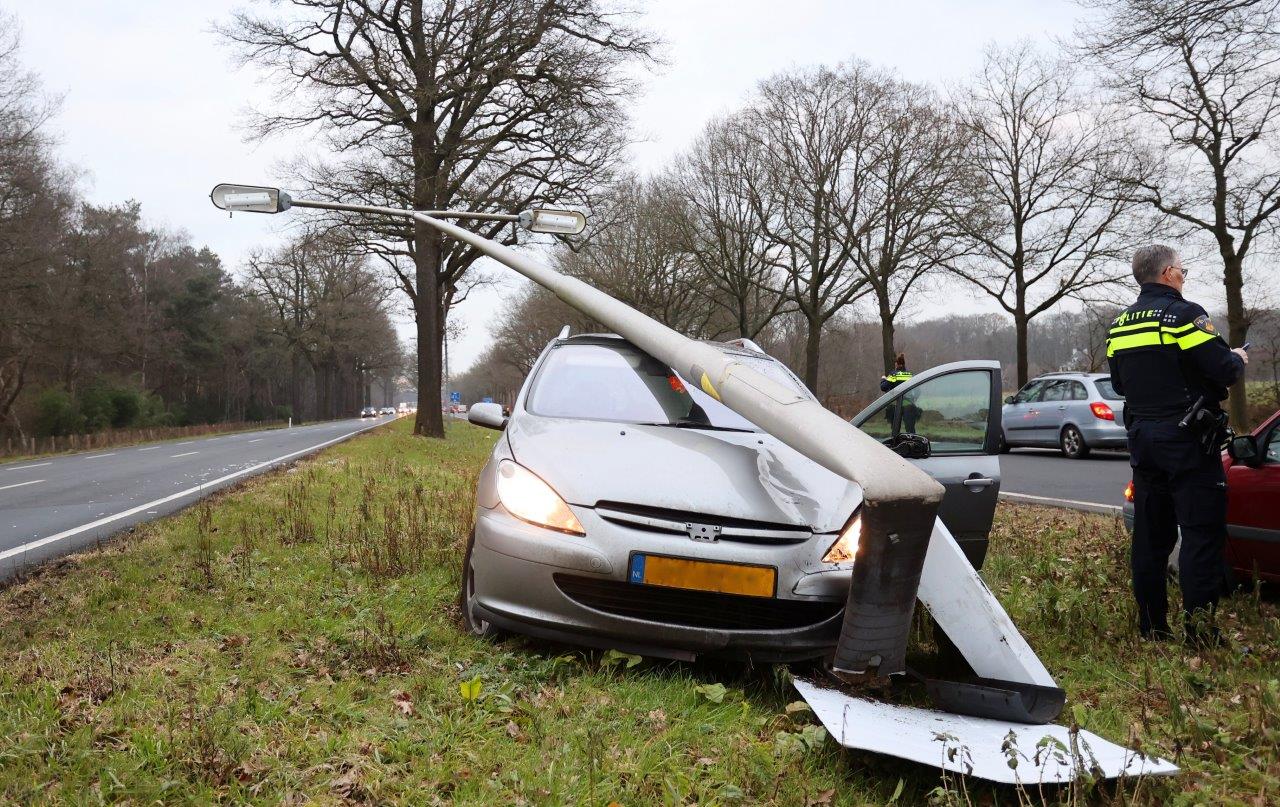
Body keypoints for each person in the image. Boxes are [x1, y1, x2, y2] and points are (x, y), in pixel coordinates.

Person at [1106, 245, 1248, 644]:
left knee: (1151, 538)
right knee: (1201, 533)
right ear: (1168, 273)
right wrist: (1236, 357)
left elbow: (1120, 384)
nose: (1183, 277)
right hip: (1187, 439)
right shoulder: (1185, 315)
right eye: (1182, 270)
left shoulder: (1119, 326)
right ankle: (1200, 634)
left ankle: (1152, 628)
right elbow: (1223, 369)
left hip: (1143, 440)